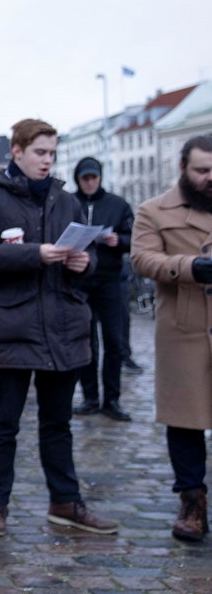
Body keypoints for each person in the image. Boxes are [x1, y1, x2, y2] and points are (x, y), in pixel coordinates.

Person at [0, 119, 118, 537]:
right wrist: (35, 254)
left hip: (63, 327)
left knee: (58, 424)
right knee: (4, 424)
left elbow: (87, 259)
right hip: (12, 326)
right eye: (40, 153)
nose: (47, 161)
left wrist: (85, 264)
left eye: (52, 153)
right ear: (17, 151)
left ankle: (65, 502)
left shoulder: (65, 200)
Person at [130, 134, 212, 541]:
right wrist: (189, 266)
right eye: (202, 170)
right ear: (182, 169)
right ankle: (192, 502)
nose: (210, 177)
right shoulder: (154, 210)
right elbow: (142, 257)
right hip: (185, 326)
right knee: (185, 419)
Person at [70, 156, 134, 421]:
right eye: (85, 178)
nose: (89, 182)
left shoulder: (117, 205)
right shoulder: (70, 203)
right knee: (87, 342)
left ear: (99, 177)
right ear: (78, 179)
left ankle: (112, 398)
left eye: (93, 177)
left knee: (114, 341)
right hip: (81, 280)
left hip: (110, 280)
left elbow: (135, 240)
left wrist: (118, 240)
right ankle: (90, 396)